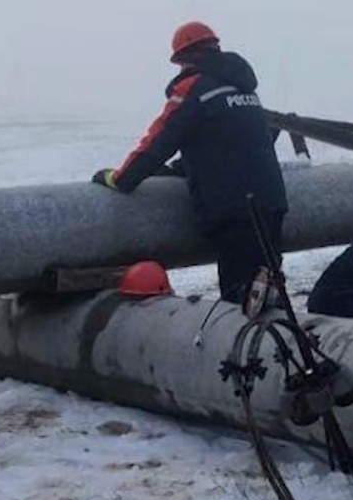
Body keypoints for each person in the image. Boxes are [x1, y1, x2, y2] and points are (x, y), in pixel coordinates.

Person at [91, 21, 288, 303]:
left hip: (237, 211)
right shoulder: (242, 88)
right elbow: (236, 141)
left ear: (184, 59)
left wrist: (119, 179)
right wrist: (184, 169)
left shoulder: (194, 88)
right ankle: (282, 345)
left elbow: (157, 142)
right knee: (267, 292)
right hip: (271, 202)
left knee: (242, 302)